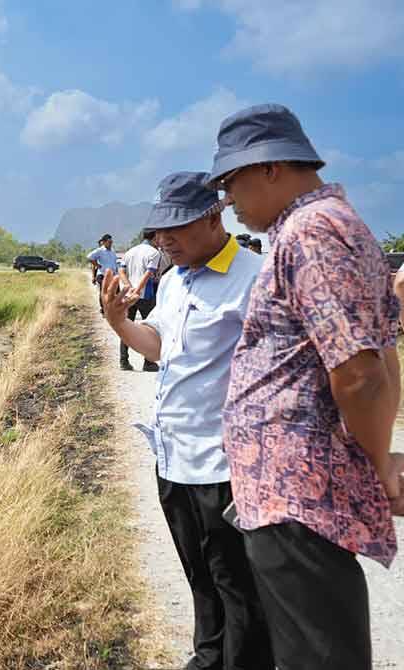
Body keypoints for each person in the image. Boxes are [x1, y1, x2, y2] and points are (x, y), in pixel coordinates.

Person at [209, 103, 404, 670]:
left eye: (230, 182)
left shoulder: (312, 230)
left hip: (296, 493)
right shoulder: (322, 227)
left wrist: (375, 462)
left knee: (318, 656)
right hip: (288, 492)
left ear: (269, 168)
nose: (228, 201)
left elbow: (363, 373)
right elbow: (380, 354)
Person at [101, 171, 273, 670]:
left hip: (225, 466)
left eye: (177, 226)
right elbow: (158, 346)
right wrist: (118, 322)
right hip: (173, 458)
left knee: (238, 585)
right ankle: (208, 657)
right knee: (199, 575)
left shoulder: (255, 278)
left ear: (214, 215)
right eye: (158, 230)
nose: (164, 240)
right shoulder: (174, 281)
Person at [117, 229, 167, 372]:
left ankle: (123, 360)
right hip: (145, 295)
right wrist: (138, 290)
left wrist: (129, 287)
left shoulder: (130, 252)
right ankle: (149, 362)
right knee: (151, 329)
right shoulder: (154, 253)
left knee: (126, 326)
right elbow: (149, 273)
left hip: (128, 295)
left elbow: (121, 271)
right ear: (155, 237)